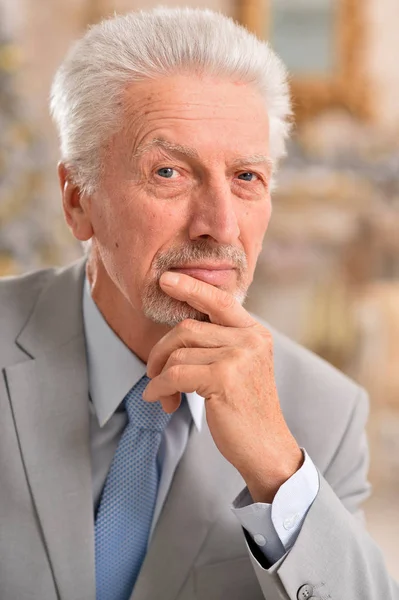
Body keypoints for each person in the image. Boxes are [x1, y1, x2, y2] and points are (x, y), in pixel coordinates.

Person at [0, 8, 397, 600]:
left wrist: (277, 474)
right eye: (168, 172)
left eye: (246, 177)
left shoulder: (326, 413)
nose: (219, 225)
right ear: (78, 200)